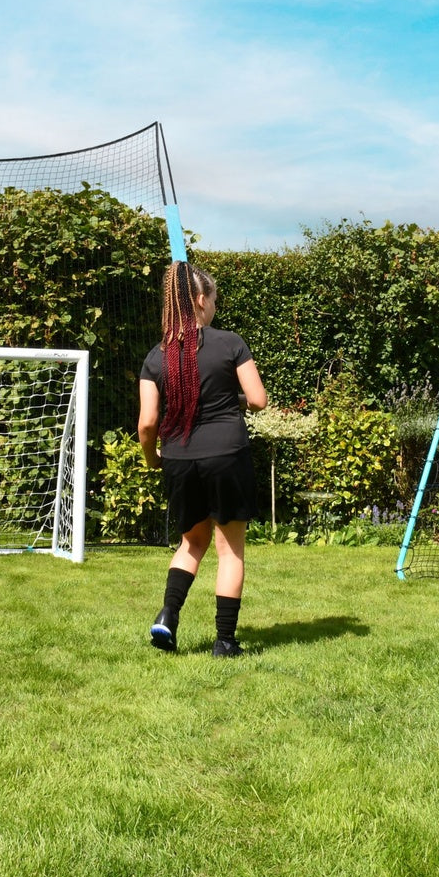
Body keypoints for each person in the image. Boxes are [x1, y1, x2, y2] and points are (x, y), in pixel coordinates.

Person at [138, 261, 268, 657]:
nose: (214, 308)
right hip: (227, 453)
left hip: (179, 457)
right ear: (199, 300)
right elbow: (259, 400)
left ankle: (167, 617)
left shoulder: (156, 356)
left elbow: (147, 423)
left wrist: (152, 459)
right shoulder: (230, 343)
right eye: (212, 300)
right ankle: (225, 642)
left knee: (192, 542)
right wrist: (234, 398)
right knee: (230, 550)